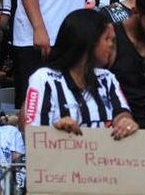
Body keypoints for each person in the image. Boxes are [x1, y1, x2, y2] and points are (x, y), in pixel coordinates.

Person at [23, 8, 138, 137]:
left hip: (103, 156)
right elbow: (33, 133)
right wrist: (57, 130)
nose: (111, 45)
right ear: (89, 42)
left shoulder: (107, 78)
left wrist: (125, 122)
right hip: (59, 154)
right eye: (107, 39)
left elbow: (122, 112)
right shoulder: (45, 79)